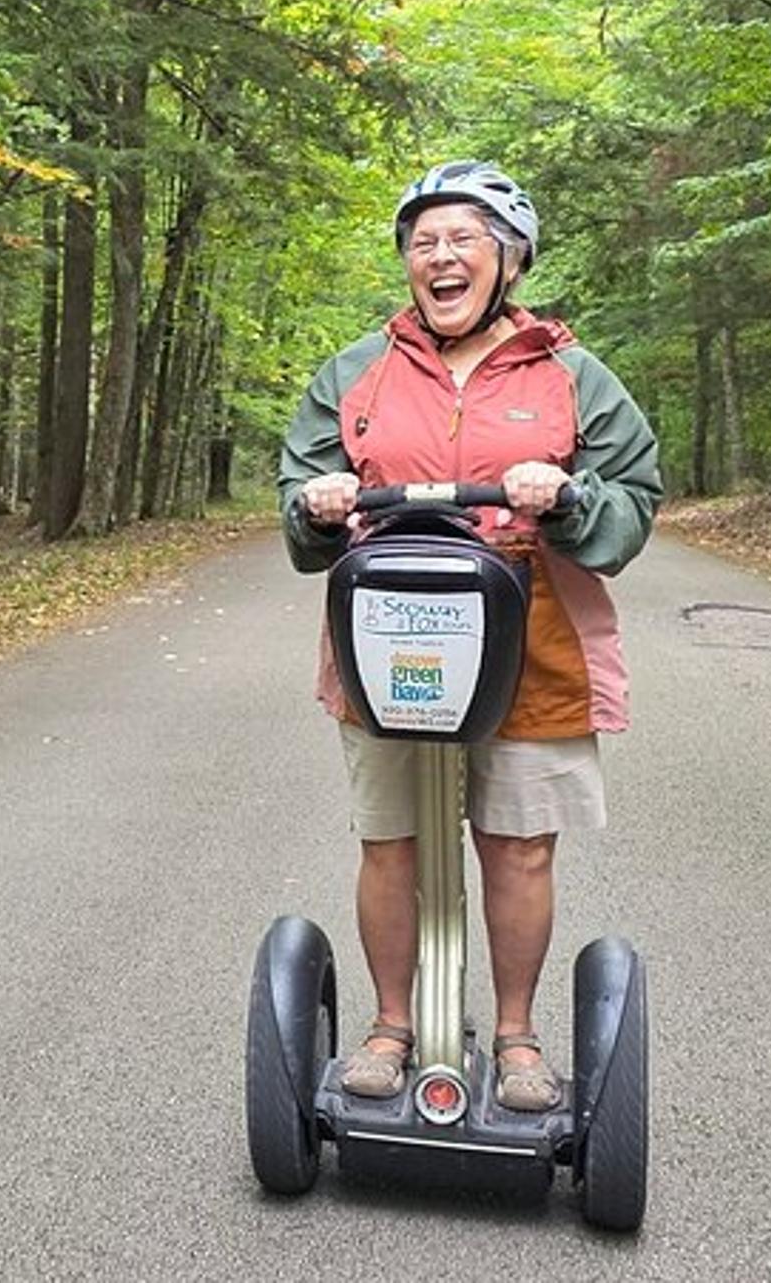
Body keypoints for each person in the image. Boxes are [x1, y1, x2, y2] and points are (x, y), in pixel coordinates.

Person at [277, 161, 661, 1112]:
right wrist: (318, 508)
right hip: (388, 633)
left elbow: (633, 501)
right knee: (390, 840)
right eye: (424, 242)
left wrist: (568, 497)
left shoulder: (572, 374)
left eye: (464, 239)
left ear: (508, 258)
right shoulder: (356, 372)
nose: (440, 257)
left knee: (518, 844)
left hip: (531, 636)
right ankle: (390, 1025)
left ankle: (521, 1034)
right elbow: (299, 497)